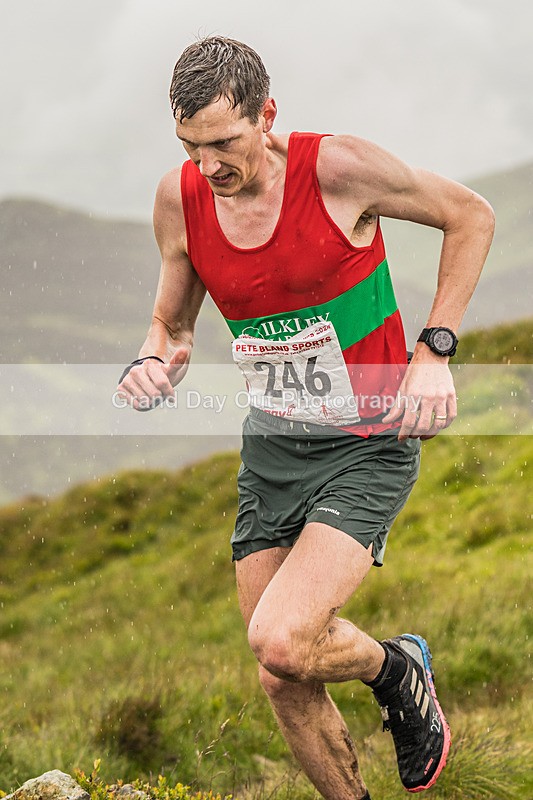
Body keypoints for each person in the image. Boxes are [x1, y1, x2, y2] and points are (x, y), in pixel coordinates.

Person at [117, 36, 495, 800]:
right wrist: (156, 356)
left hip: (367, 442)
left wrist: (433, 352)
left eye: (224, 143)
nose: (208, 166)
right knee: (279, 672)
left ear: (267, 116)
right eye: (190, 147)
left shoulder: (338, 170)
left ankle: (396, 667)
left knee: (282, 637)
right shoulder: (179, 198)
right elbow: (174, 324)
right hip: (273, 450)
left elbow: (470, 215)